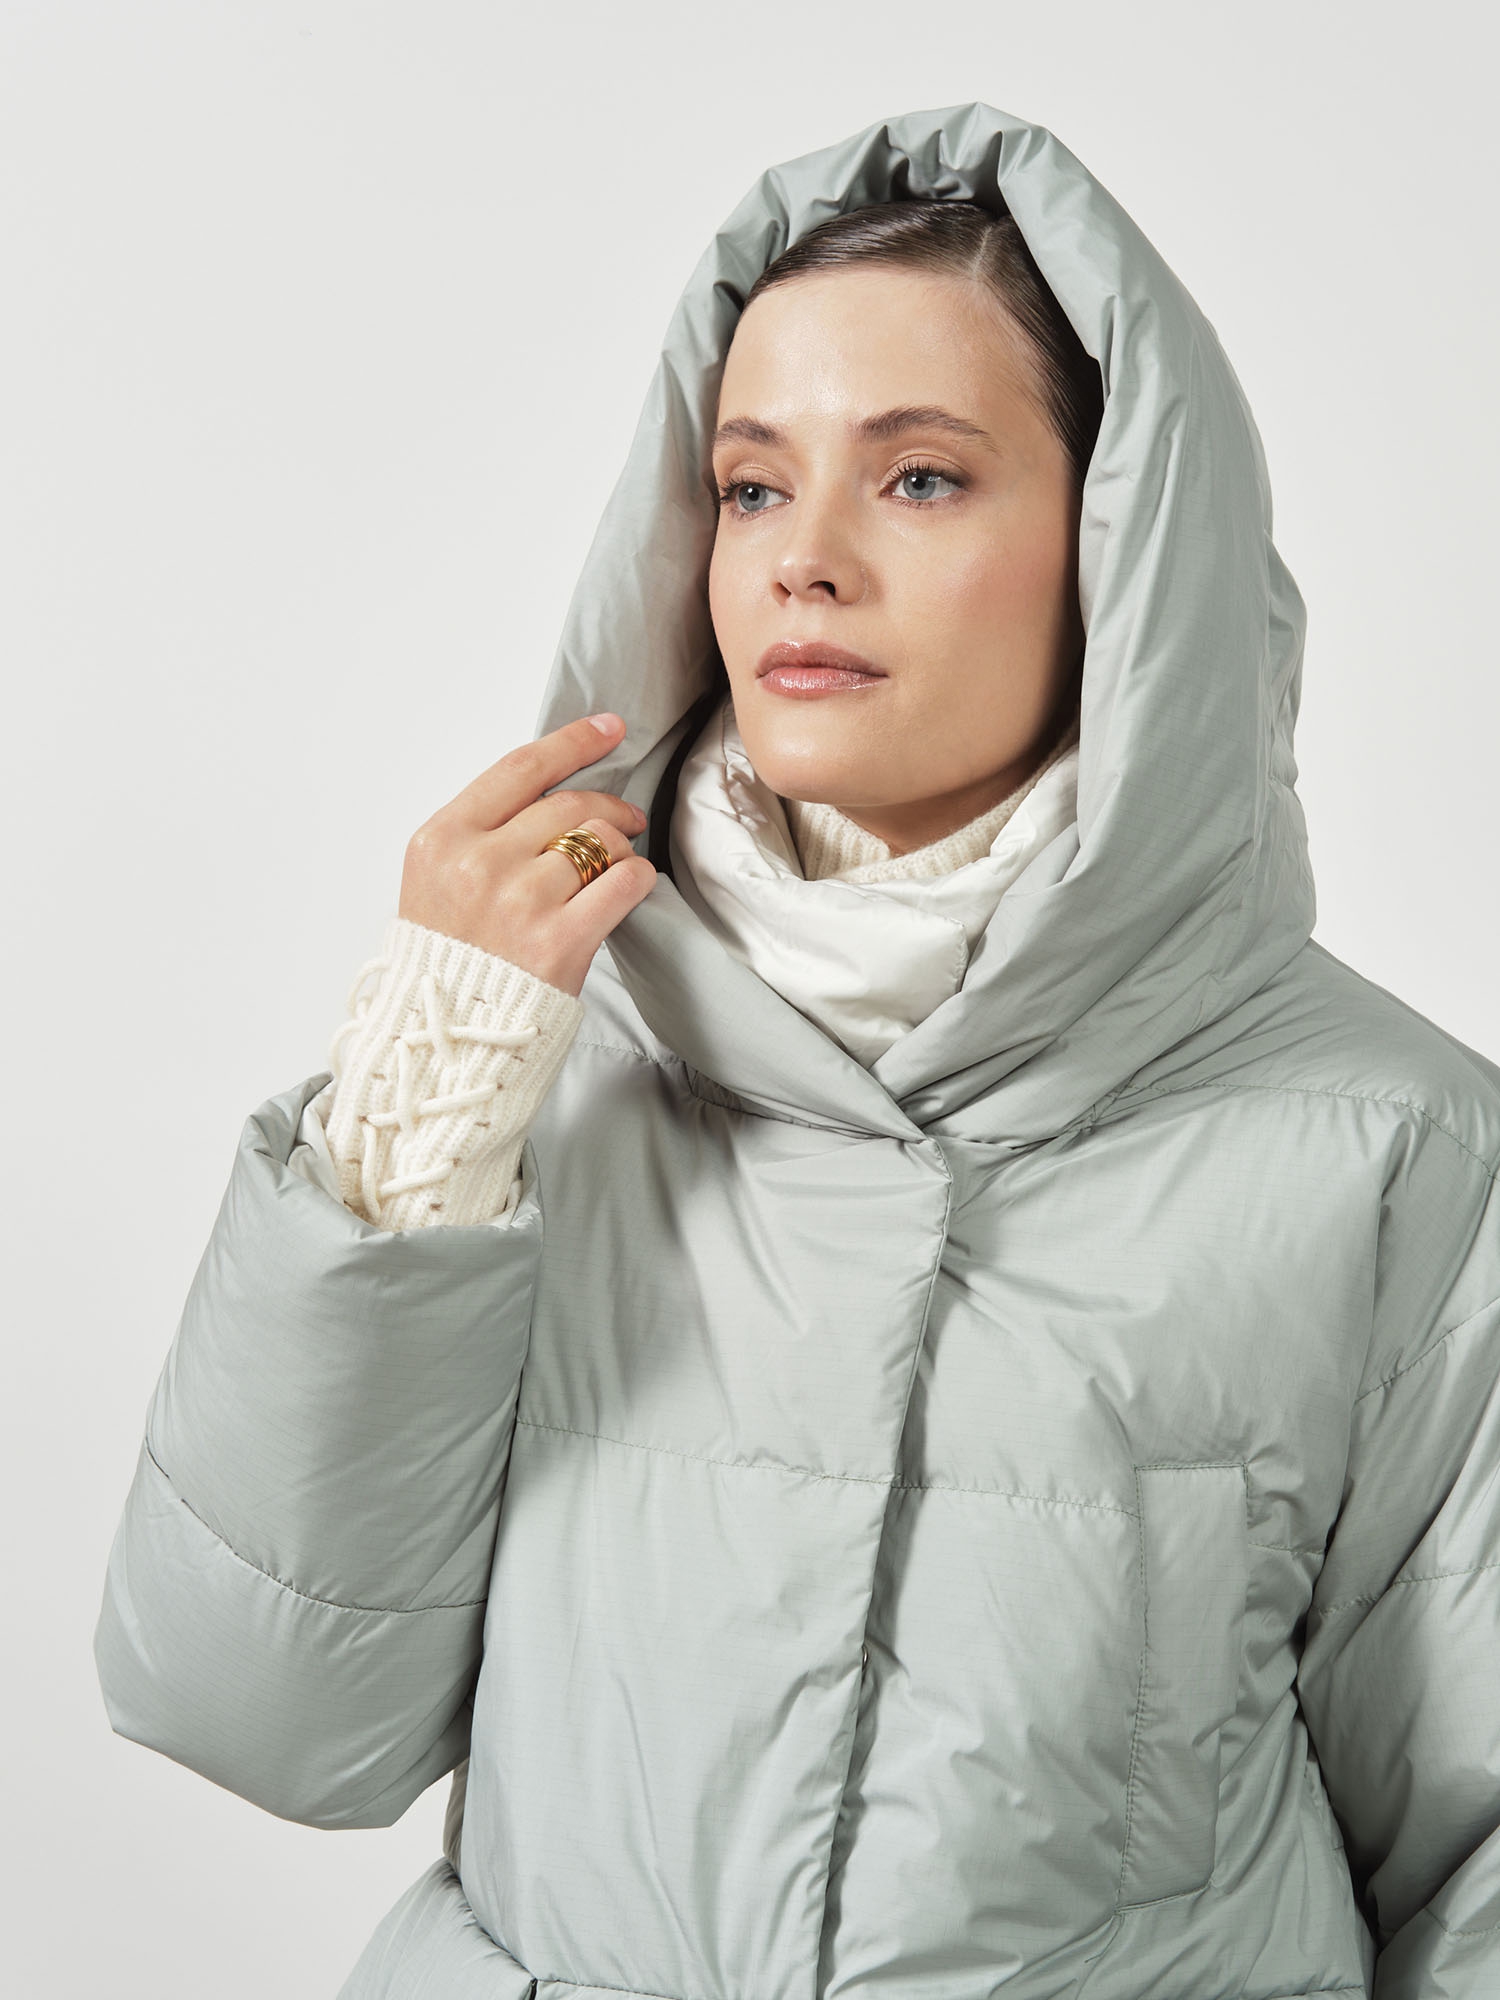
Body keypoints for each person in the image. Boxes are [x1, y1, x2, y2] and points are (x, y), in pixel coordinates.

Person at [93, 103, 1500, 1998]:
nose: (802, 562)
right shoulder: (531, 1065)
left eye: (918, 477)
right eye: (751, 487)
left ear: (1122, 549)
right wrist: (415, 1112)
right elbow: (262, 1717)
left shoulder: (1395, 1152)